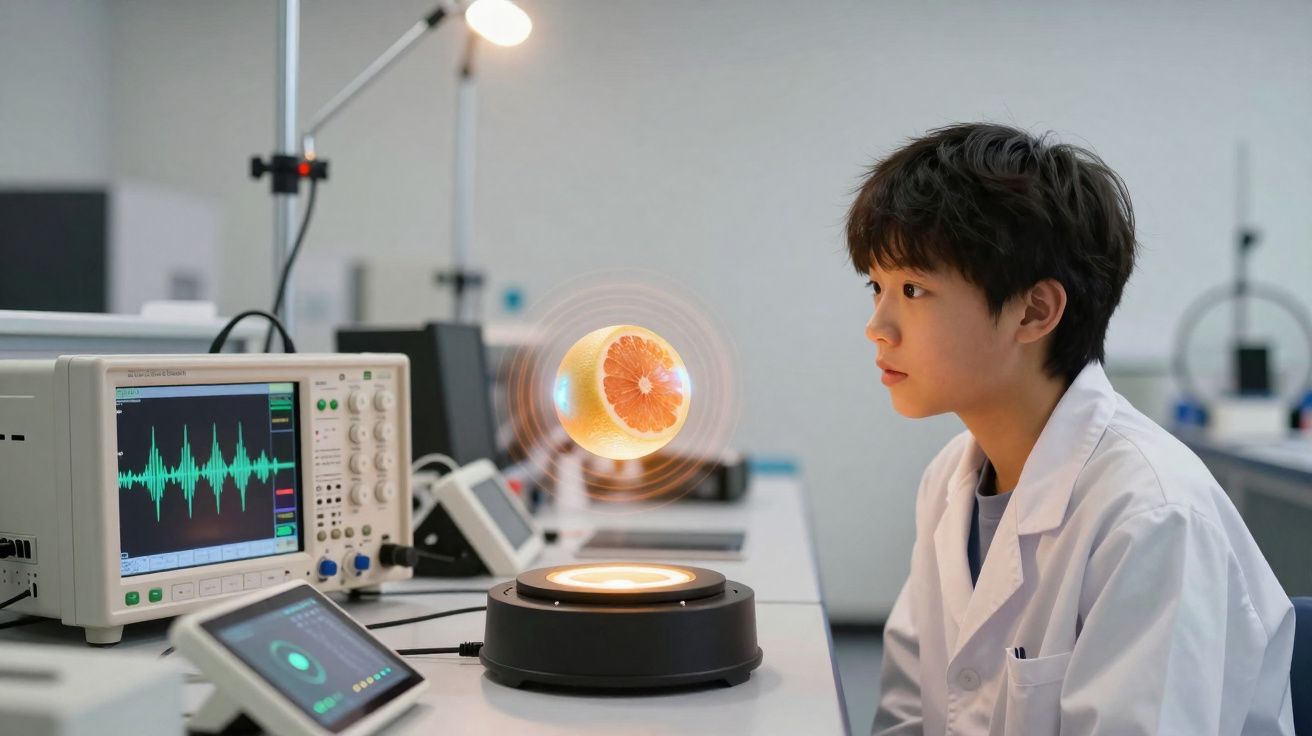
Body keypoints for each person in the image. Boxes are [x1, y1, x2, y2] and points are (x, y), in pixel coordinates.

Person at [847, 123, 1294, 735]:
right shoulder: (950, 479)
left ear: (1034, 311)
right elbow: (908, 715)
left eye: (913, 288)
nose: (878, 325)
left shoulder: (1151, 516)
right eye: (877, 286)